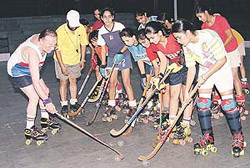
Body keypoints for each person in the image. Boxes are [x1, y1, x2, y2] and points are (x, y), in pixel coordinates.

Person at [172, 19, 245, 157]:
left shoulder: (208, 36)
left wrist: (205, 77)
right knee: (203, 103)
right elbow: (192, 68)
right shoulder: (186, 46)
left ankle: (238, 138)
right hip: (205, 70)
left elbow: (222, 59)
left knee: (228, 104)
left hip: (221, 69)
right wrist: (187, 92)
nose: (179, 41)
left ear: (187, 32)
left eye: (179, 37)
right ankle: (208, 137)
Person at [145, 21, 196, 144]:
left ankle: (185, 124)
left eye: (152, 37)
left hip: (188, 67)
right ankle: (172, 122)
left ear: (160, 33)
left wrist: (180, 63)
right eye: (149, 39)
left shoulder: (173, 37)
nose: (151, 41)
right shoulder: (155, 45)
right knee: (173, 95)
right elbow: (163, 61)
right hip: (174, 68)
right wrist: (159, 77)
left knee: (185, 96)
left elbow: (188, 50)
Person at [7, 28, 60, 145]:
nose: (52, 48)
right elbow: (35, 82)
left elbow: (36, 75)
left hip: (33, 67)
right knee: (35, 97)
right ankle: (29, 128)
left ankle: (44, 119)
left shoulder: (43, 39)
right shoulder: (32, 53)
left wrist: (46, 98)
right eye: (50, 45)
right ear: (41, 41)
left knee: (45, 90)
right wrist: (47, 102)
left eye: (54, 45)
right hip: (18, 70)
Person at [195, 4, 246, 117]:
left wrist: (221, 47)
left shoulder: (220, 20)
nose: (200, 19)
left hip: (230, 49)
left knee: (234, 75)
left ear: (206, 12)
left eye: (200, 16)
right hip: (218, 53)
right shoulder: (204, 27)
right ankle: (217, 101)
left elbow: (230, 36)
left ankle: (240, 102)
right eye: (198, 17)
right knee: (218, 76)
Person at [98, 7, 137, 121]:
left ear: (113, 17)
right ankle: (111, 105)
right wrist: (104, 64)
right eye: (104, 17)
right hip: (111, 57)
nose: (107, 19)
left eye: (109, 16)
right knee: (112, 82)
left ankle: (132, 105)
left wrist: (121, 52)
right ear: (101, 18)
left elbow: (127, 41)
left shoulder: (120, 26)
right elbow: (103, 48)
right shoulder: (102, 31)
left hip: (123, 54)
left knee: (126, 81)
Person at [54, 10, 88, 115]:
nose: (74, 28)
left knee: (73, 80)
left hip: (75, 59)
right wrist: (62, 66)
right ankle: (64, 103)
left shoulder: (81, 28)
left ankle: (73, 102)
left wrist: (82, 59)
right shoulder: (60, 31)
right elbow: (57, 50)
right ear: (67, 21)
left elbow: (83, 44)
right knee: (63, 81)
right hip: (62, 59)